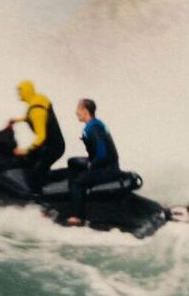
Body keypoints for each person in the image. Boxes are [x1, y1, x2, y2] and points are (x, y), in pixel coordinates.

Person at [65, 98, 121, 226]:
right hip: (106, 166)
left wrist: (90, 165)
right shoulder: (95, 124)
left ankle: (77, 216)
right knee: (72, 162)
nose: (76, 112)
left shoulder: (93, 129)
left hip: (108, 169)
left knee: (77, 183)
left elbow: (102, 155)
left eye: (78, 109)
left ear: (85, 111)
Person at [10, 80, 64, 190]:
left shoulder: (36, 110)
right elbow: (35, 118)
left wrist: (27, 150)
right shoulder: (38, 100)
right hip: (48, 145)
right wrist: (18, 120)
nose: (19, 94)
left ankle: (38, 199)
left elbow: (41, 136)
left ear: (27, 91)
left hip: (54, 148)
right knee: (30, 164)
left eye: (20, 91)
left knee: (36, 174)